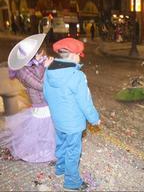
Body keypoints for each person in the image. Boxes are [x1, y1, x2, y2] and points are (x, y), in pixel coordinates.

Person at [43, 37, 100, 190]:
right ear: (74, 56)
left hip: (58, 119)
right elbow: (85, 102)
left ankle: (60, 169)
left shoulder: (49, 70)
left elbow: (46, 95)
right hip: (73, 123)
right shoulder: (77, 76)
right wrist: (94, 119)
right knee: (73, 151)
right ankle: (72, 182)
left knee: (61, 144)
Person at [0, 34, 56, 163]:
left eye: (43, 54)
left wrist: (49, 66)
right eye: (40, 54)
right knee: (43, 129)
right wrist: (47, 68)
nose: (43, 56)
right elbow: (40, 85)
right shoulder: (22, 71)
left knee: (48, 130)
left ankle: (46, 149)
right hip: (40, 103)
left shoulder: (38, 63)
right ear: (32, 56)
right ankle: (40, 152)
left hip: (48, 100)